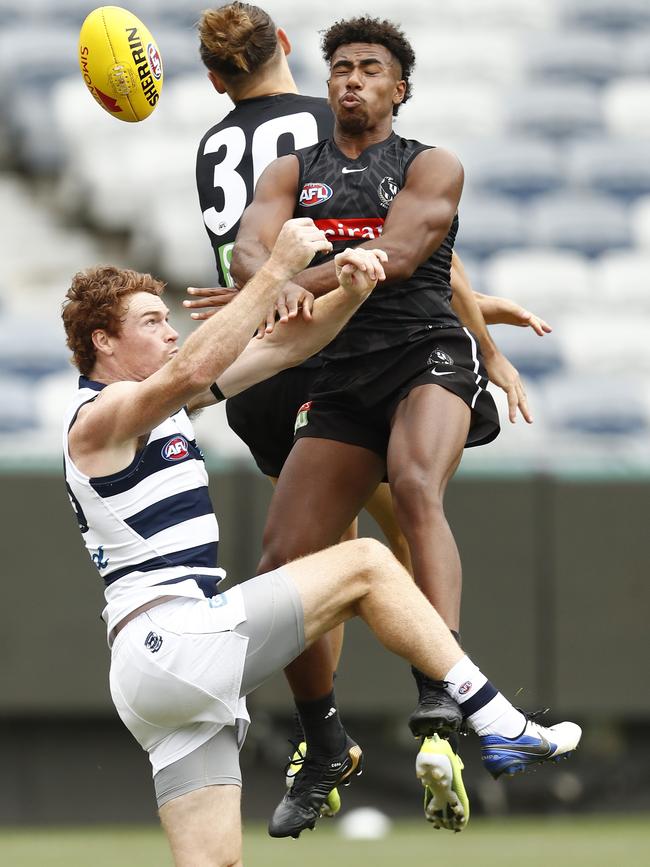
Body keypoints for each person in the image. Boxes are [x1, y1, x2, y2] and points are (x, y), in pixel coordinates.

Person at [61, 219, 581, 865]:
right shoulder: (99, 417)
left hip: (157, 673)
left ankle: (496, 728)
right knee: (365, 561)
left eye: (167, 319)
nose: (170, 330)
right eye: (149, 322)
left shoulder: (160, 406)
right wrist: (277, 269)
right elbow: (199, 359)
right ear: (103, 341)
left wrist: (353, 292)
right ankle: (501, 724)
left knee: (213, 862)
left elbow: (282, 348)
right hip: (172, 642)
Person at [190, 5, 552, 823]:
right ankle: (323, 741)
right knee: (285, 556)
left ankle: (441, 692)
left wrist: (287, 280)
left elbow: (395, 257)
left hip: (424, 351)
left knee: (416, 486)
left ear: (400, 88)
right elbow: (253, 250)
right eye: (342, 69)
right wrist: (268, 275)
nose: (352, 80)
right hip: (339, 369)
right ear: (324, 80)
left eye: (370, 70)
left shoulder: (432, 164)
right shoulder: (293, 164)